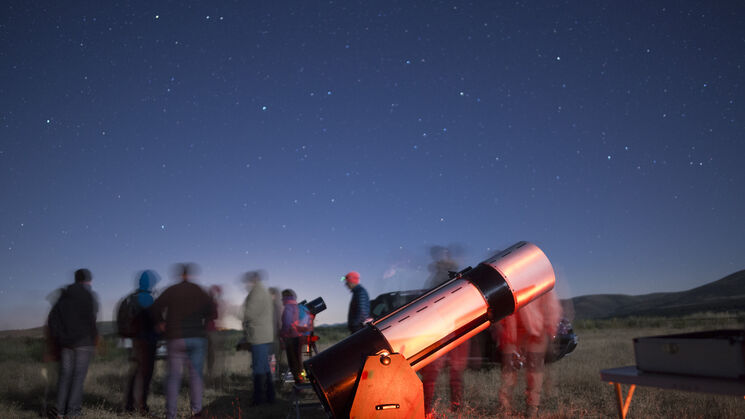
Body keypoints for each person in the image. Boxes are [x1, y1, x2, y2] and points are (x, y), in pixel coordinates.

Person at [149, 263, 216, 419]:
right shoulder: (199, 291)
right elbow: (212, 310)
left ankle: (170, 415)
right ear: (190, 275)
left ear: (180, 275)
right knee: (196, 377)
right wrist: (203, 323)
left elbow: (154, 307)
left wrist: (161, 322)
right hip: (197, 338)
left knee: (173, 377)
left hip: (175, 338)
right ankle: (196, 412)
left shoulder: (172, 290)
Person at [495, 289, 562, 417]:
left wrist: (550, 328)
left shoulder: (538, 277)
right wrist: (500, 329)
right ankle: (505, 408)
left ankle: (532, 410)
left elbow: (551, 303)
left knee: (534, 372)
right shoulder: (509, 275)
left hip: (535, 331)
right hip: (511, 332)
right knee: (508, 372)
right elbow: (500, 305)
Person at [420, 246, 470, 416]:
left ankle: (431, 409)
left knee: (437, 374)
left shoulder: (444, 280)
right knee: (440, 373)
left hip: (448, 330)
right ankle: (440, 408)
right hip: (446, 330)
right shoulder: (454, 280)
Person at [47, 268, 99, 418]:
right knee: (78, 378)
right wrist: (94, 339)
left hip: (65, 344)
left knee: (64, 377)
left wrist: (59, 338)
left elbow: (53, 320)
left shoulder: (64, 296)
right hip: (83, 343)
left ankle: (59, 412)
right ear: (87, 280)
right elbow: (91, 320)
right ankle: (73, 413)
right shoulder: (89, 295)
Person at [124, 270, 160, 415]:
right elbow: (154, 321)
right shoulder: (147, 299)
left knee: (135, 374)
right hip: (147, 342)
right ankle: (142, 407)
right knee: (146, 375)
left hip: (134, 341)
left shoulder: (132, 298)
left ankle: (129, 406)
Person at [241, 270, 275, 404]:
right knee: (264, 368)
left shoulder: (257, 293)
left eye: (247, 281)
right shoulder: (262, 291)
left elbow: (249, 314)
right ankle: (270, 397)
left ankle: (258, 399)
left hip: (259, 336)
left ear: (253, 280)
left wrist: (232, 311)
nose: (246, 285)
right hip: (263, 335)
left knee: (259, 369)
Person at [279, 289, 305, 383]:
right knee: (298, 362)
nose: (281, 299)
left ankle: (298, 383)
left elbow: (287, 323)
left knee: (293, 362)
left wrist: (281, 334)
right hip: (299, 336)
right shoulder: (297, 306)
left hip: (291, 337)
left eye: (282, 297)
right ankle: (301, 379)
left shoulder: (288, 307)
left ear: (285, 297)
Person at [268, 287, 286, 380]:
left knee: (272, 358)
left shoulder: (274, 307)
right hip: (272, 337)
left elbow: (278, 322)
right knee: (273, 358)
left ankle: (273, 377)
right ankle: (274, 377)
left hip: (273, 337)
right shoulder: (275, 306)